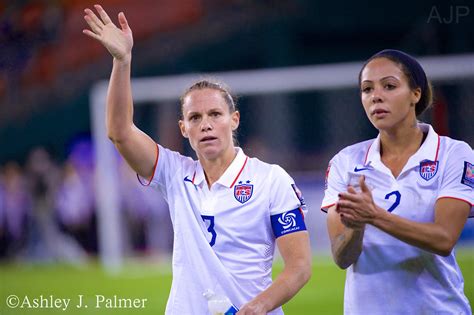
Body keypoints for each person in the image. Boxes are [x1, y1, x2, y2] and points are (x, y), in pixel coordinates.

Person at [83, 5, 311, 315]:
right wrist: (122, 61)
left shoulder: (271, 179)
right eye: (195, 117)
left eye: (215, 114)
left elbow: (299, 267)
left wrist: (258, 306)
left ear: (234, 120)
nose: (205, 124)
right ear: (184, 128)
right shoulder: (175, 173)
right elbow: (119, 132)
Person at [321, 49, 473, 314]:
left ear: (416, 93)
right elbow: (341, 258)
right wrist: (356, 228)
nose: (376, 96)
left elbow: (444, 239)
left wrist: (374, 216)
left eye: (389, 86)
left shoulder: (453, 154)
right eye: (367, 89)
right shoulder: (345, 162)